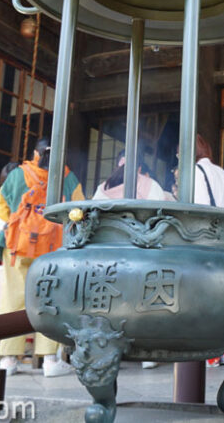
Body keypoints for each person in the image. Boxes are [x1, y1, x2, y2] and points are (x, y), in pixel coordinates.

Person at [0, 139, 85, 377]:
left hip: (17, 246)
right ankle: (50, 361)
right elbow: (80, 210)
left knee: (13, 300)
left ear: (35, 153)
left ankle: (9, 359)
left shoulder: (19, 174)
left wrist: (18, 222)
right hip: (52, 250)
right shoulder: (67, 178)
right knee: (49, 300)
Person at [93, 152, 173, 369]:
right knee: (146, 303)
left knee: (110, 306)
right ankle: (147, 352)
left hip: (109, 259)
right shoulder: (151, 186)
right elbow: (163, 218)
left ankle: (108, 350)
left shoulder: (103, 188)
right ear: (138, 168)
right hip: (144, 257)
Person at [189, 134, 224, 366]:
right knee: (223, 297)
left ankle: (209, 352)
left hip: (205, 241)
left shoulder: (196, 173)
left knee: (203, 298)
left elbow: (198, 208)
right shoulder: (222, 172)